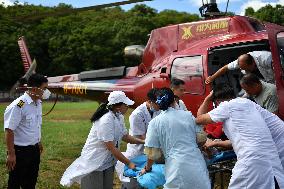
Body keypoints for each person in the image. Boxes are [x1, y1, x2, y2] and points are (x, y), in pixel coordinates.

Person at [196, 85, 284, 189]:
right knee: (272, 182)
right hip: (271, 150)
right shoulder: (248, 104)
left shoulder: (227, 106)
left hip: (254, 156)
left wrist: (207, 98)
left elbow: (199, 119)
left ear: (217, 101)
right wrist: (216, 143)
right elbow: (245, 139)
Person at [60, 91, 144, 189]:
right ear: (118, 106)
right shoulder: (106, 120)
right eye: (126, 105)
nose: (128, 107)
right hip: (94, 161)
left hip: (108, 161)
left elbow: (125, 136)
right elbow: (111, 147)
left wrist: (143, 142)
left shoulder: (119, 116)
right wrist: (128, 163)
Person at [141, 88, 210, 189]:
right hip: (197, 162)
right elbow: (201, 139)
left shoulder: (155, 122)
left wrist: (147, 169)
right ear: (174, 100)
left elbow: (152, 154)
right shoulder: (188, 115)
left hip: (177, 166)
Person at [4, 73, 50, 189]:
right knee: (15, 182)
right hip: (20, 152)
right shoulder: (19, 105)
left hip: (34, 150)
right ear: (34, 88)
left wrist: (38, 141)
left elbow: (36, 125)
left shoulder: (38, 103)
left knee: (31, 182)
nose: (46, 91)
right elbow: (9, 130)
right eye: (44, 88)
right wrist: (11, 153)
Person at [115, 88, 160, 186]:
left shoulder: (157, 110)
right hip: (137, 152)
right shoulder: (137, 114)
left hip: (148, 153)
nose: (159, 106)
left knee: (146, 180)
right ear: (150, 101)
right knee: (133, 182)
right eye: (157, 103)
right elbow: (143, 137)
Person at [205, 51, 274, 84]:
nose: (243, 70)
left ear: (253, 63)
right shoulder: (241, 62)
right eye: (241, 68)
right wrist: (212, 77)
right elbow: (225, 68)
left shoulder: (267, 58)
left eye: (245, 68)